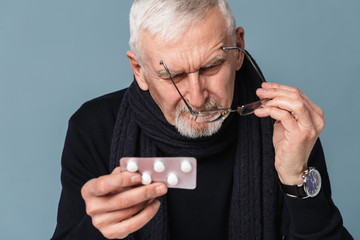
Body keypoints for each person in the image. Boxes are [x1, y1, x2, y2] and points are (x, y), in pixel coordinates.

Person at [52, 0, 353, 239]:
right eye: (175, 76)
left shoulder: (286, 128)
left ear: (238, 50)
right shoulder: (93, 128)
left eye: (211, 67)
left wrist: (295, 178)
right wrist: (97, 229)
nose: (196, 98)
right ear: (139, 70)